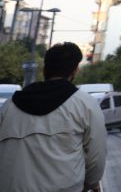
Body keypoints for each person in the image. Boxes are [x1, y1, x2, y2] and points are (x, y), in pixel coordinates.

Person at [0, 42, 107, 192]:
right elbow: (96, 157)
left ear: (45, 69)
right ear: (75, 71)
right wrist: (89, 184)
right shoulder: (86, 105)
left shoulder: (9, 106)